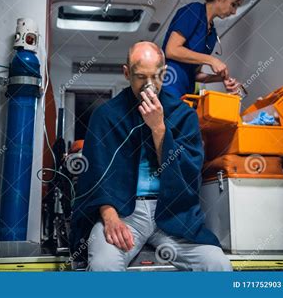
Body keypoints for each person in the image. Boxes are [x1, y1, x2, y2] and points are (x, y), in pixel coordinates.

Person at [69, 41, 232, 271]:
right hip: (124, 212)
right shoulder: (105, 116)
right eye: (140, 77)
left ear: (164, 74)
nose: (148, 86)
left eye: (155, 77)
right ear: (127, 73)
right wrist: (110, 217)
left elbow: (189, 172)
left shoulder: (183, 115)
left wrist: (159, 129)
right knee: (103, 265)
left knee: (217, 264)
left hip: (172, 214)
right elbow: (95, 176)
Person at [162, 0, 247, 98]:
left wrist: (219, 78)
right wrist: (211, 60)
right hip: (169, 87)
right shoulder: (193, 11)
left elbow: (195, 74)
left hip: (187, 94)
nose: (234, 11)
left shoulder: (212, 33)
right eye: (233, 4)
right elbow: (171, 50)